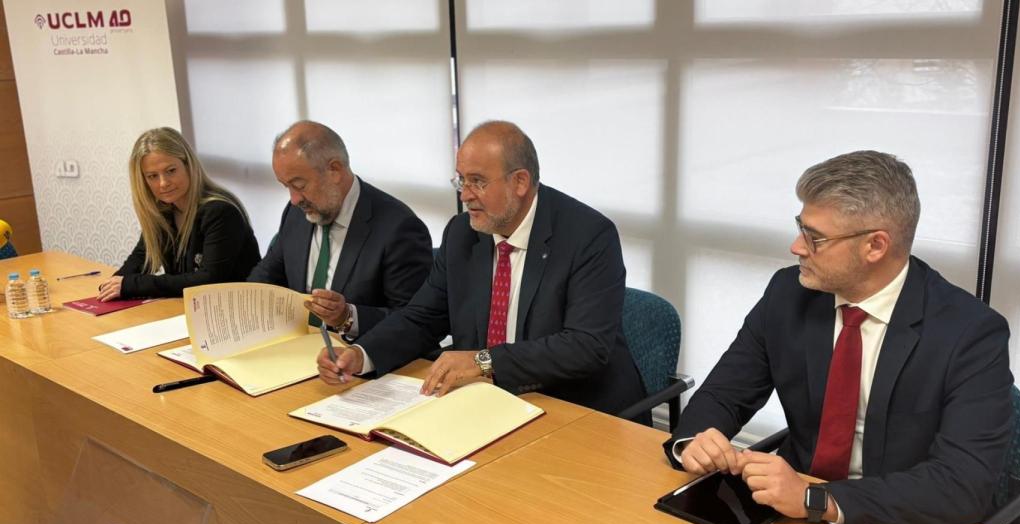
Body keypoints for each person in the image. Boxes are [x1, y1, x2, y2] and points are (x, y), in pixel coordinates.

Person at [663, 151, 1013, 524]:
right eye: (801, 227)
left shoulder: (970, 333)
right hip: (789, 514)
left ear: (875, 246)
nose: (797, 246)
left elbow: (962, 483)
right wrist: (696, 441)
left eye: (815, 238)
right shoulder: (788, 293)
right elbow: (726, 393)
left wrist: (817, 499)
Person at [317, 120, 646, 419]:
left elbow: (585, 346)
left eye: (477, 182)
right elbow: (422, 318)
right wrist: (363, 354)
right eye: (461, 180)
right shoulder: (462, 233)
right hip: (485, 405)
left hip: (574, 408)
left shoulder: (588, 236)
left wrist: (484, 362)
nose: (464, 195)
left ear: (520, 182)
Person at [247, 121, 432, 336]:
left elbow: (416, 321)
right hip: (297, 344)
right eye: (286, 186)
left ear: (334, 170)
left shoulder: (398, 228)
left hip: (357, 350)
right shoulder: (295, 213)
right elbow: (265, 278)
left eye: (299, 185)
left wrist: (348, 317)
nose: (294, 199)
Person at [99, 127, 260, 301]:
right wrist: (114, 283)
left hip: (236, 308)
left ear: (188, 165)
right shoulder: (164, 211)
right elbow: (140, 259)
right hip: (192, 308)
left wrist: (132, 285)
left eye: (171, 171)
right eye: (152, 176)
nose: (163, 183)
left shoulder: (220, 212)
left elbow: (209, 280)